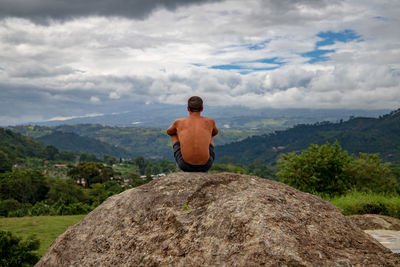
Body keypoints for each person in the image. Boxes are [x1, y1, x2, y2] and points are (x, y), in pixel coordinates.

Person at [166, 96, 218, 172]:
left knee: (174, 135)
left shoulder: (178, 122)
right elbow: (215, 132)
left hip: (184, 165)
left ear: (188, 109)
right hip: (206, 165)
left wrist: (182, 134)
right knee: (210, 136)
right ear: (202, 108)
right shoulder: (210, 121)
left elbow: (169, 132)